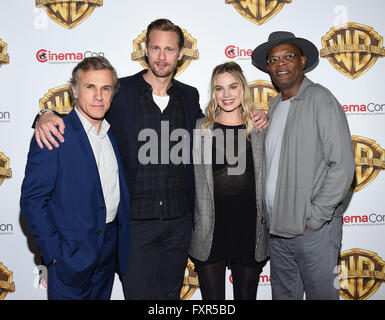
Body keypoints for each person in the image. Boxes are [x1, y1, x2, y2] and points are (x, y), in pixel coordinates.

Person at [33, 19, 268, 300]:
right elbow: (86, 111)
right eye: (155, 47)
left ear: (181, 53)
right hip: (135, 225)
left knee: (168, 300)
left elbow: (219, 125)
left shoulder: (188, 95)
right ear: (145, 49)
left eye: (169, 49)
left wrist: (255, 114)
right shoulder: (120, 92)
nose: (161, 56)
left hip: (179, 225)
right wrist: (44, 116)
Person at [251, 31, 355, 300]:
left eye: (288, 56)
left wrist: (316, 215)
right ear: (268, 68)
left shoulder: (321, 99)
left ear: (302, 61)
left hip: (313, 231)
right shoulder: (274, 106)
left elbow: (342, 165)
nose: (281, 64)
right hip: (277, 230)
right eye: (274, 60)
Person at [20, 56, 130, 300]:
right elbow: (33, 200)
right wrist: (54, 254)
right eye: (90, 87)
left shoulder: (112, 134)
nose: (99, 96)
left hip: (108, 253)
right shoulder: (55, 133)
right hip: (70, 256)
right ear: (74, 91)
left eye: (106, 88)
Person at [190, 62, 268, 300]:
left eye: (232, 87)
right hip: (210, 231)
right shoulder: (200, 129)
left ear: (242, 89)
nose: (226, 95)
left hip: (249, 229)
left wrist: (266, 114)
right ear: (213, 92)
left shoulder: (261, 129)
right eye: (219, 88)